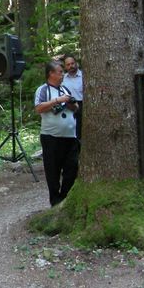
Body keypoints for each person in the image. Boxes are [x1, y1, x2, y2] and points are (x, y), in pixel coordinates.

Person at [34, 61, 79, 205]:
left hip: (70, 137)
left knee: (71, 169)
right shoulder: (43, 90)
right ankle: (55, 201)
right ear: (51, 74)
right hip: (51, 137)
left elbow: (76, 107)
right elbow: (39, 108)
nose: (62, 75)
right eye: (59, 72)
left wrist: (70, 103)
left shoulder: (65, 89)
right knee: (53, 170)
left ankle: (65, 198)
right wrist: (58, 100)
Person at [62, 55, 84, 139]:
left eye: (72, 63)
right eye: (68, 64)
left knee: (80, 131)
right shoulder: (63, 78)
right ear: (65, 66)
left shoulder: (84, 76)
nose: (71, 66)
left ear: (76, 63)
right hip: (67, 106)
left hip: (82, 105)